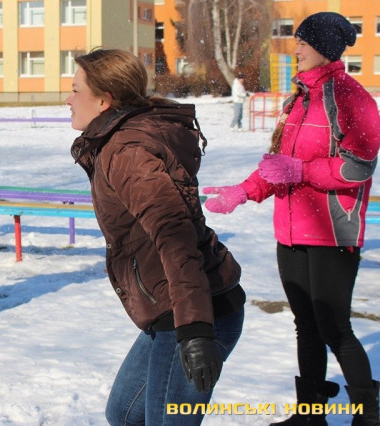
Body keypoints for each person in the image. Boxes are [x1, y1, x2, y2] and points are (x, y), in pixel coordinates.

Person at [203, 12, 380, 426]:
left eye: (302, 42)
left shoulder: (351, 97)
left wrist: (301, 170)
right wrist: (243, 191)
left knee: (334, 327)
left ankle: (369, 413)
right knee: (307, 327)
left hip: (332, 231)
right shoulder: (298, 98)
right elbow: (277, 166)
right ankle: (311, 414)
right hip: (290, 231)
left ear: (324, 47)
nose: (295, 49)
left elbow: (359, 167)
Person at [67, 48, 246, 425]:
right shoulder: (116, 140)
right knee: (124, 413)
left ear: (104, 100)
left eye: (75, 89)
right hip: (173, 305)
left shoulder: (127, 151)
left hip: (198, 311)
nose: (68, 99)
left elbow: (174, 236)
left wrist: (195, 330)